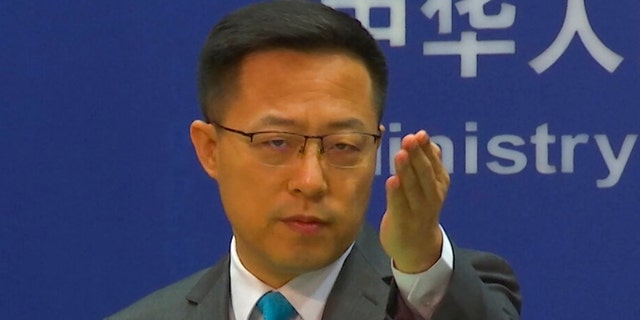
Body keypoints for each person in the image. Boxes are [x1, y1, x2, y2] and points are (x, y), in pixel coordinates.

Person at [107, 1, 521, 319]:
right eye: (276, 143)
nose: (311, 180)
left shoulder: (434, 295)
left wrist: (419, 261)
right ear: (209, 149)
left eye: (342, 145)